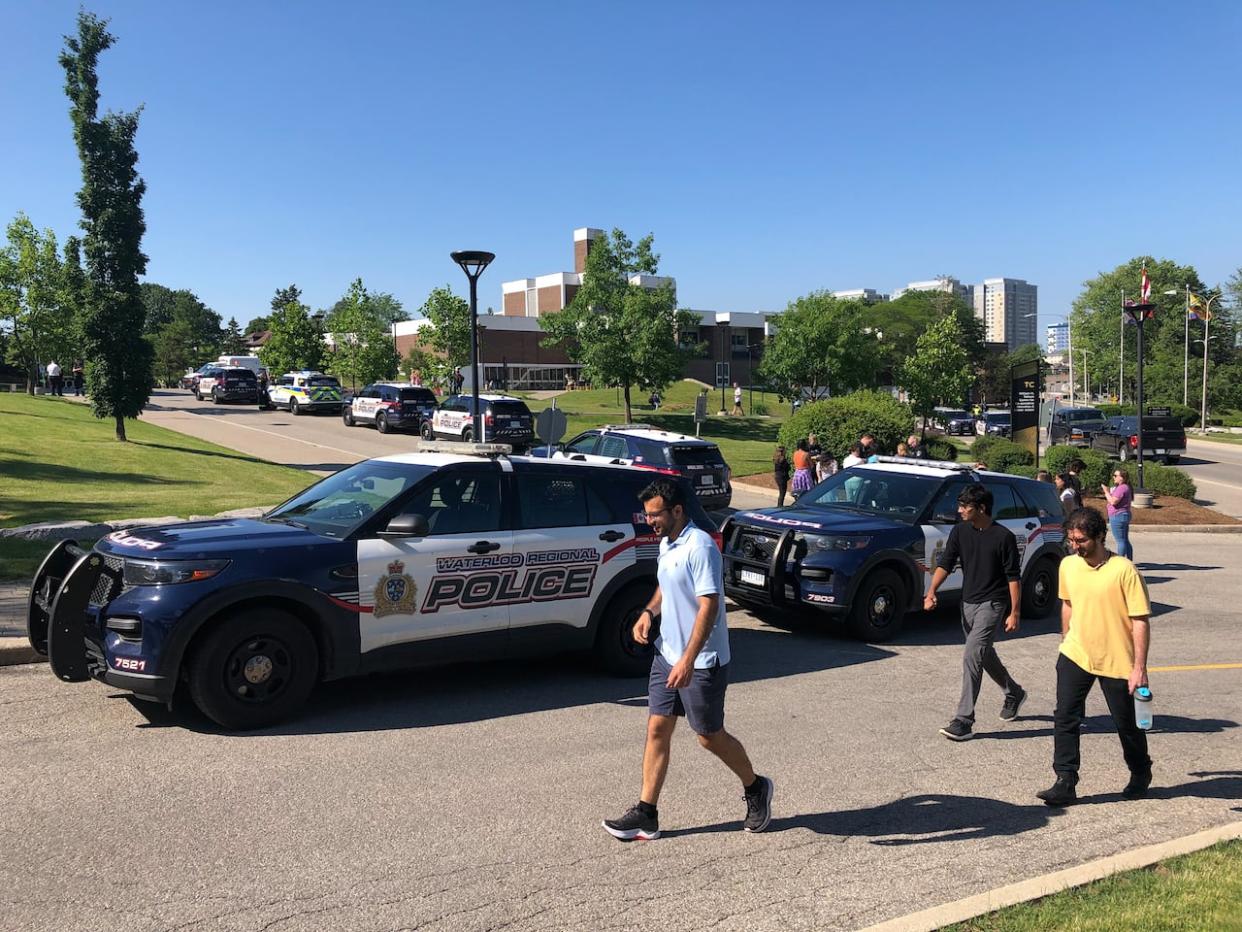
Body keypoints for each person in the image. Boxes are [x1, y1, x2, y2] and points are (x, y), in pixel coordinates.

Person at [602, 478, 773, 840]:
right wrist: (649, 612)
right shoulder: (668, 543)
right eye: (646, 514)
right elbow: (666, 584)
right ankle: (646, 814)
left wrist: (688, 660)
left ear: (677, 510)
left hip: (702, 660)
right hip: (667, 654)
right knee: (657, 728)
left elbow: (709, 606)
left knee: (708, 736)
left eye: (655, 514)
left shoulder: (700, 547)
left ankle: (756, 786)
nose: (650, 521)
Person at [1037, 507, 1152, 807]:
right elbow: (1068, 604)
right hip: (1075, 654)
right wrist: (1065, 641)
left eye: (1081, 540)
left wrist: (1139, 667)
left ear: (1100, 536)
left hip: (1117, 659)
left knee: (1126, 723)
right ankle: (1065, 780)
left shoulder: (1125, 570)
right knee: (1065, 717)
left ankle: (1140, 771)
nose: (1075, 546)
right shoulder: (1068, 566)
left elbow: (1140, 620)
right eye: (1071, 540)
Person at [924, 483, 1026, 741]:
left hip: (993, 604)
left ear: (980, 508)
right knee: (983, 654)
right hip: (967, 602)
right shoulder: (960, 531)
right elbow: (946, 563)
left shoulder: (1003, 537)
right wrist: (931, 591)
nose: (959, 511)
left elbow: (1013, 578)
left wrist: (1014, 612)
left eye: (964, 506)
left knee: (972, 654)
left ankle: (963, 720)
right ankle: (1013, 691)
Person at [1103, 467, 1134, 561]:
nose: (1114, 477)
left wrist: (1106, 492)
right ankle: (1129, 560)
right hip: (1123, 515)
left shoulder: (1122, 488)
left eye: (1116, 475)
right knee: (1124, 540)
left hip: (1118, 516)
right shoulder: (1124, 487)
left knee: (1120, 541)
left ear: (1122, 477)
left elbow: (1113, 501)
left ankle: (1120, 561)